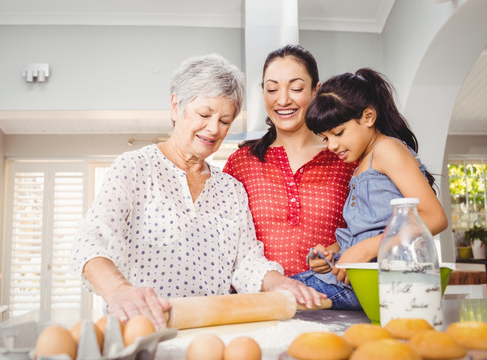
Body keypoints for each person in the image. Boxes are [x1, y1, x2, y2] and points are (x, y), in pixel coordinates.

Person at [71, 53, 326, 331]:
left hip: (211, 333)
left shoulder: (231, 190)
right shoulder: (134, 169)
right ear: (175, 106)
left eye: (225, 120)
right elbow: (89, 242)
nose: (214, 129)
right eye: (204, 114)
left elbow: (246, 262)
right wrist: (118, 290)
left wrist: (278, 282)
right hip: (142, 330)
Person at [298, 67, 448, 308]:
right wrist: (331, 254)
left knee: (281, 297)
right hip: (360, 280)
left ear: (368, 117)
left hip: (387, 282)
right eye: (326, 138)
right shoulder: (360, 166)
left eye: (338, 133)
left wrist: (366, 249)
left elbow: (436, 218)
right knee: (282, 293)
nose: (332, 145)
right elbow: (364, 231)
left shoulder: (387, 150)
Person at [223, 45, 356, 280]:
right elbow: (226, 244)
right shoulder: (241, 163)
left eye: (296, 88)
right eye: (272, 89)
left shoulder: (345, 157)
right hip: (260, 304)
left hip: (333, 303)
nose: (283, 100)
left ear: (317, 91)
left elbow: (373, 229)